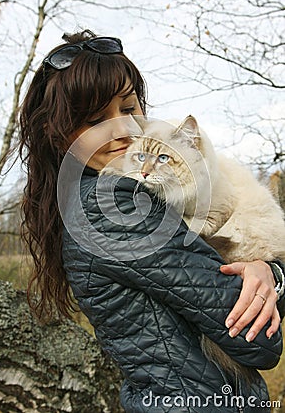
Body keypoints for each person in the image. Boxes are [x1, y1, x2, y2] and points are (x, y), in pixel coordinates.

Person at [19, 29, 285, 412]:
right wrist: (273, 280)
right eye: (96, 119)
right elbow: (258, 343)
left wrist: (270, 272)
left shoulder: (111, 197)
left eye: (128, 109)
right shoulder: (110, 209)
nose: (125, 130)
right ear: (59, 134)